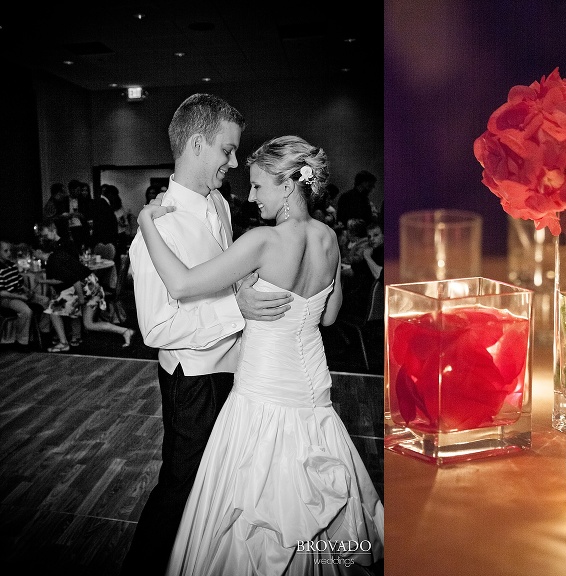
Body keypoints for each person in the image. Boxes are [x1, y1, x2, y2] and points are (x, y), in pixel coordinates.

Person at [137, 135, 383, 575]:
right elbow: (328, 318)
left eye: (258, 186)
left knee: (250, 511)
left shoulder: (263, 241)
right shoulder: (327, 237)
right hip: (313, 395)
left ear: (288, 186)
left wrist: (147, 223)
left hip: (261, 391)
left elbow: (181, 284)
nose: (250, 196)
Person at [121, 93, 294, 576]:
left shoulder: (217, 202)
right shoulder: (156, 229)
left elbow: (225, 270)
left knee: (221, 483)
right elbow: (156, 326)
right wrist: (236, 311)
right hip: (193, 380)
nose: (234, 162)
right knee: (182, 485)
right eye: (227, 150)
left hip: (235, 369)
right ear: (197, 145)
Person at [37, 219, 134, 351]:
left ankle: (64, 343)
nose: (36, 257)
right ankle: (124, 331)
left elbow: (75, 279)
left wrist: (81, 298)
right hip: (93, 284)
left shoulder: (56, 258)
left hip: (84, 287)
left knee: (54, 310)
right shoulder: (60, 252)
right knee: (89, 324)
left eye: (36, 253)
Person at [0, 240, 50, 351]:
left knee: (46, 300)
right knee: (26, 311)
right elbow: (2, 292)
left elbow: (19, 283)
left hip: (19, 294)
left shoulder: (12, 265)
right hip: (7, 298)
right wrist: (20, 297)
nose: (9, 253)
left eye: (10, 250)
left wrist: (27, 291)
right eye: (5, 251)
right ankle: (22, 341)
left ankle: (44, 331)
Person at [91, 184, 120, 250]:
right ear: (110, 194)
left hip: (102, 239)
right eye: (115, 195)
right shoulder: (103, 204)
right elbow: (105, 224)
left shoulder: (101, 203)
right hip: (105, 240)